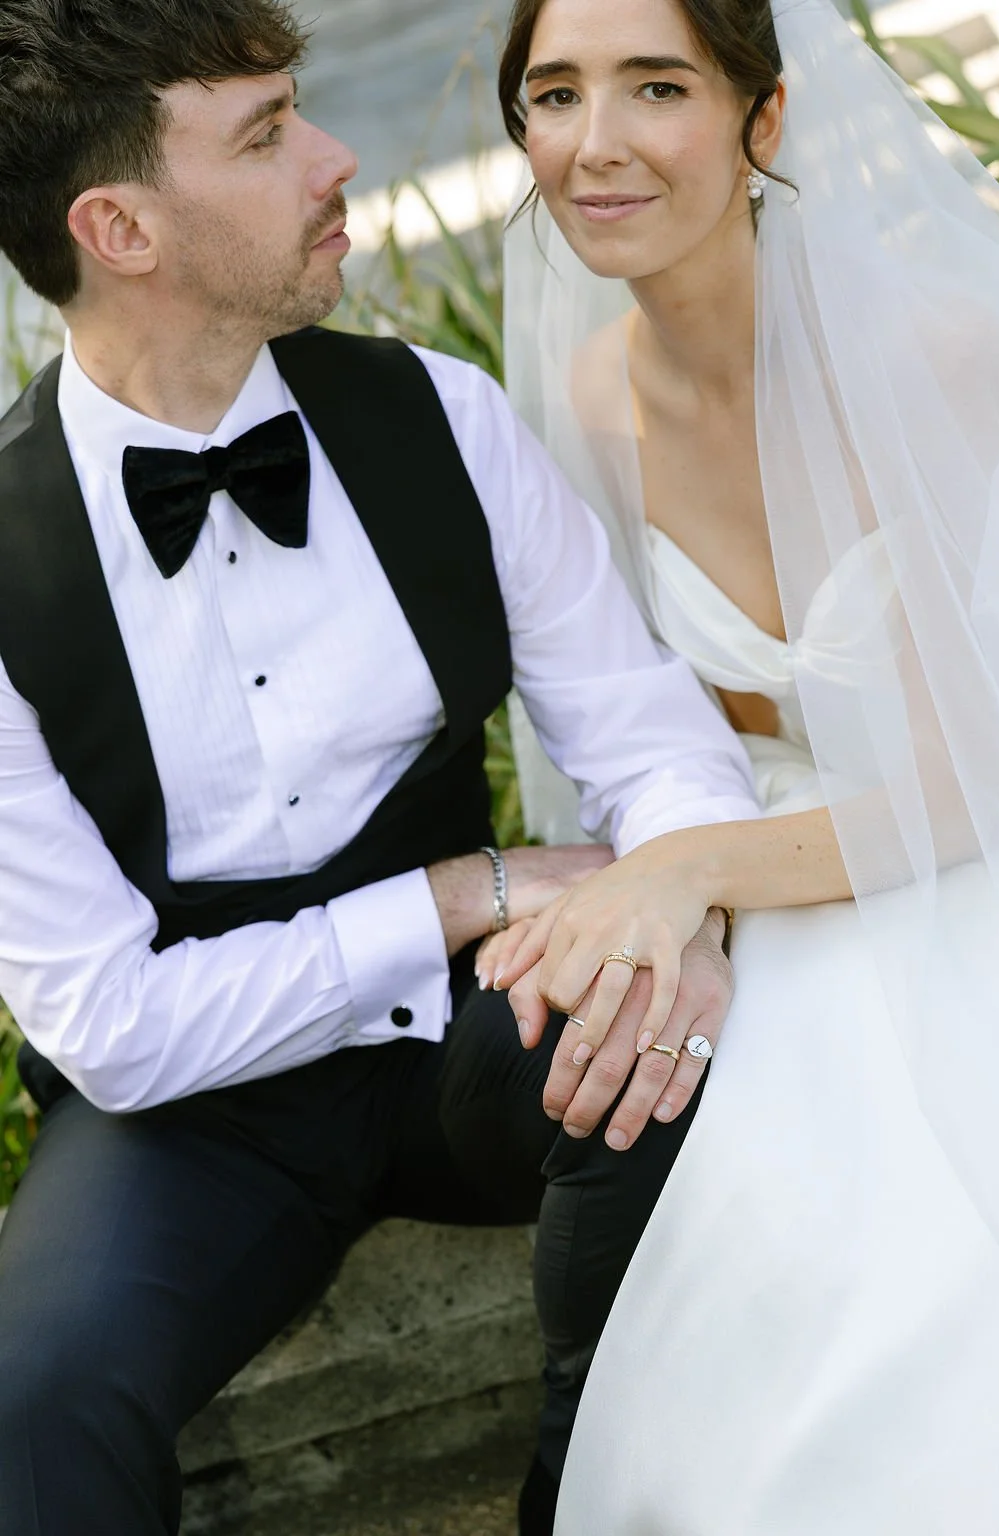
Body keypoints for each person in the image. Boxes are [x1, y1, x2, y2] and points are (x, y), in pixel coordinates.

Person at [0, 3, 766, 1532]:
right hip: (191, 1116)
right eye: (270, 134)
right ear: (120, 227)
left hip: (478, 1036)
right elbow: (117, 1029)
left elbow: (655, 742)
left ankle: (583, 1497)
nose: (333, 158)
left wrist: (669, 902)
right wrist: (458, 889)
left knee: (664, 1056)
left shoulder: (445, 421)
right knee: (30, 1406)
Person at [487, 0, 999, 1529]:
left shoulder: (941, 349)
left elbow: (976, 771)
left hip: (980, 850)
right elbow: (649, 736)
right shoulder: (594, 398)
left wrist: (689, 870)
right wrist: (667, 880)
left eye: (657, 87)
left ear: (764, 123)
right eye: (555, 93)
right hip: (776, 874)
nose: (597, 145)